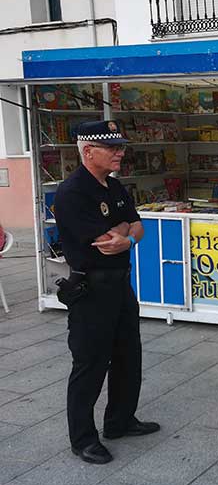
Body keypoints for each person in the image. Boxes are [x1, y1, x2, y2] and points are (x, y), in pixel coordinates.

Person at [54, 121, 159, 465]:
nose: (120, 153)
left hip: (120, 284)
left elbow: (136, 227)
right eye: (111, 148)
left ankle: (120, 420)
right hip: (91, 289)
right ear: (88, 151)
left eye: (121, 147)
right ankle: (83, 439)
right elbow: (103, 244)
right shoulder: (73, 192)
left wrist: (126, 235)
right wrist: (124, 231)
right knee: (90, 363)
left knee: (130, 356)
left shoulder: (114, 187)